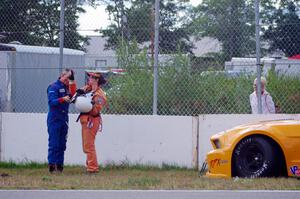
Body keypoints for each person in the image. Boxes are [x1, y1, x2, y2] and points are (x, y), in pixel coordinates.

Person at [47, 68, 76, 173]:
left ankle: (60, 166)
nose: (68, 80)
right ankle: (52, 165)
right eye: (68, 77)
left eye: (70, 78)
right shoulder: (53, 86)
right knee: (54, 143)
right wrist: (62, 99)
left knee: (62, 144)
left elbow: (73, 95)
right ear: (62, 75)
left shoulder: (68, 87)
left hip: (64, 119)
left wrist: (72, 81)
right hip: (54, 119)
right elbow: (52, 102)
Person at [77, 71, 107, 173]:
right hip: (85, 120)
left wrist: (90, 104)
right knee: (86, 145)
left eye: (91, 77)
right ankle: (89, 165)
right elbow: (75, 94)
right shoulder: (87, 88)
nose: (89, 78)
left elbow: (95, 110)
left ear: (96, 80)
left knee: (89, 145)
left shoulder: (100, 95)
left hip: (92, 120)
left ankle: (92, 168)